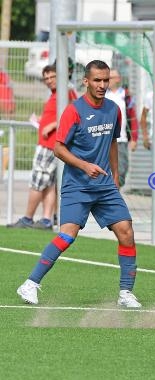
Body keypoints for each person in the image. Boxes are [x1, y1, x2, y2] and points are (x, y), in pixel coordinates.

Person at [16, 60, 141, 308]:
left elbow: (113, 142)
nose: (102, 85)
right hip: (77, 184)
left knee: (126, 232)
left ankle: (126, 293)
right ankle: (30, 284)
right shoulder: (74, 111)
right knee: (67, 235)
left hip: (104, 184)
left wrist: (115, 176)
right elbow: (58, 148)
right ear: (86, 81)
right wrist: (84, 166)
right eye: (97, 80)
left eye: (106, 80)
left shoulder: (114, 109)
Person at [8, 64, 77, 230]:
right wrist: (42, 120)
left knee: (37, 182)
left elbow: (75, 114)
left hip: (50, 145)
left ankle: (27, 218)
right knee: (48, 183)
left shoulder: (66, 92)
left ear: (60, 76)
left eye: (52, 77)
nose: (49, 81)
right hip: (49, 144)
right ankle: (46, 219)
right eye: (46, 78)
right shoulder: (56, 94)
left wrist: (52, 125)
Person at [105, 68, 138, 188]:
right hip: (105, 140)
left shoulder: (126, 96)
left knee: (122, 170)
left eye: (111, 78)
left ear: (118, 79)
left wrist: (134, 138)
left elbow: (133, 118)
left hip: (121, 140)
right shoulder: (103, 95)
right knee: (106, 171)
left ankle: (114, 193)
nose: (109, 80)